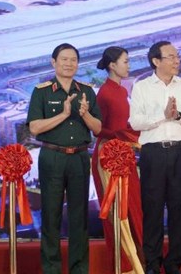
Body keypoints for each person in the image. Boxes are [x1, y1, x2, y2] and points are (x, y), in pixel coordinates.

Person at [27, 43, 102, 274]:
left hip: (79, 157)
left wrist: (85, 114)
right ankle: (52, 269)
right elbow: (35, 127)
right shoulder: (42, 91)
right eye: (64, 59)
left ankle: (79, 269)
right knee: (51, 215)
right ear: (53, 62)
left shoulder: (87, 91)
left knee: (79, 217)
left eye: (73, 60)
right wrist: (64, 114)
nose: (69, 64)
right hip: (53, 157)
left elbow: (98, 129)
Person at [129, 41, 181, 274]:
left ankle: (173, 264)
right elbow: (135, 122)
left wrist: (178, 115)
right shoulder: (142, 87)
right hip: (153, 153)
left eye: (177, 56)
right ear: (156, 61)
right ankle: (152, 263)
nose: (177, 61)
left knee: (179, 209)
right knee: (152, 209)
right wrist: (161, 117)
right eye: (171, 57)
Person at [91, 46, 144, 274]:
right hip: (109, 156)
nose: (128, 65)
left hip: (124, 153)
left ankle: (139, 262)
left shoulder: (122, 91)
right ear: (112, 65)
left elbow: (125, 125)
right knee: (117, 211)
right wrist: (129, 136)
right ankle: (125, 266)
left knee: (133, 207)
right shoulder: (104, 93)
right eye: (125, 61)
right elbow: (101, 129)